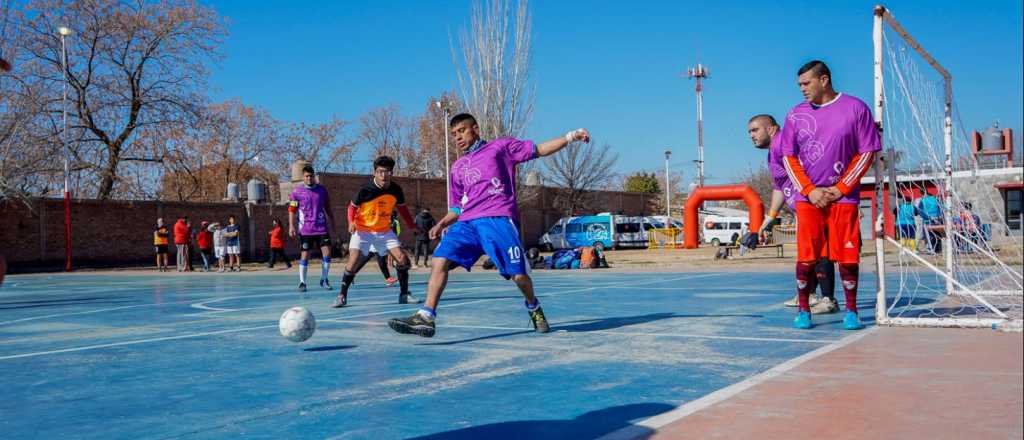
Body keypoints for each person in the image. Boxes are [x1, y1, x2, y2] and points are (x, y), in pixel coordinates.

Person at [387, 113, 591, 337]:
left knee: (519, 277)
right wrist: (443, 222)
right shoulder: (457, 168)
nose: (458, 137)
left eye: (462, 131)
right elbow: (458, 206)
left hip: (498, 219)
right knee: (439, 259)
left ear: (475, 129)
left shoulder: (500, 148)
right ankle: (426, 316)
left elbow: (539, 150)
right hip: (467, 223)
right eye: (454, 134)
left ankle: (533, 306)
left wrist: (570, 137)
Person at [779, 60, 881, 330]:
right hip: (808, 200)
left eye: (806, 83)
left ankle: (852, 311)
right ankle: (804, 310)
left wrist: (841, 188)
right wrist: (810, 190)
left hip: (843, 198)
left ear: (824, 80)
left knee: (848, 256)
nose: (802, 89)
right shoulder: (794, 115)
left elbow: (867, 152)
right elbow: (788, 157)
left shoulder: (856, 108)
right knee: (807, 256)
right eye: (799, 84)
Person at [748, 114, 837, 313]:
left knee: (821, 252)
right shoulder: (772, 153)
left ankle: (828, 299)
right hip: (800, 210)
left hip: (813, 206)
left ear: (771, 128)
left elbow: (813, 168)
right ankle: (810, 294)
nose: (751, 135)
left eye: (755, 130)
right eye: (749, 132)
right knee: (809, 253)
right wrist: (769, 218)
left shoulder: (783, 144)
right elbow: (779, 187)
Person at [333, 156, 419, 307]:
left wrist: (412, 225)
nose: (383, 175)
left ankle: (404, 295)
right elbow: (352, 207)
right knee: (353, 262)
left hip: (384, 231)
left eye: (387, 172)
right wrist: (351, 221)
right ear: (374, 173)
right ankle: (341, 296)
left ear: (391, 173)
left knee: (402, 259)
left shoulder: (396, 190)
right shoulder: (365, 189)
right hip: (363, 230)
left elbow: (403, 209)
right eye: (380, 172)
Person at [288, 164, 336, 292]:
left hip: (321, 228)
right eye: (307, 176)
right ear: (303, 177)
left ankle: (324, 279)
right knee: (305, 255)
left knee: (327, 254)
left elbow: (328, 207)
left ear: (314, 176)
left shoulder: (322, 190)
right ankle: (302, 282)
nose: (309, 178)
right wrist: (291, 226)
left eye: (311, 176)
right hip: (306, 230)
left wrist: (332, 222)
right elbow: (292, 210)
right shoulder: (296, 192)